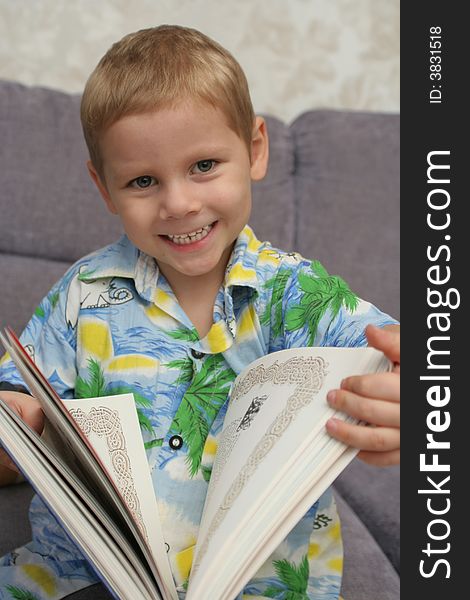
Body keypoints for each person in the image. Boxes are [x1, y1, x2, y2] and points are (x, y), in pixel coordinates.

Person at [0, 25, 400, 600]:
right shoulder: (82, 291)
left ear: (255, 149)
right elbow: (19, 396)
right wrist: (16, 420)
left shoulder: (294, 292)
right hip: (78, 573)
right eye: (142, 181)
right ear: (104, 187)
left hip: (258, 584)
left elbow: (386, 352)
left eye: (205, 165)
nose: (179, 202)